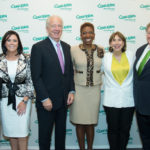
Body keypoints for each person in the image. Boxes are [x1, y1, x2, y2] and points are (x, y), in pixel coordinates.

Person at [30, 15, 75, 150]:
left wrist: (72, 91)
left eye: (59, 26)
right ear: (47, 28)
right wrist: (44, 98)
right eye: (53, 26)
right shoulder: (38, 48)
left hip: (63, 102)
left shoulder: (67, 47)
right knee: (45, 138)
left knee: (61, 137)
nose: (57, 29)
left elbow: (69, 73)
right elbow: (36, 77)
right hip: (46, 103)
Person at [69, 22, 104, 150]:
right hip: (78, 90)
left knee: (90, 123)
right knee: (79, 123)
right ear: (80, 35)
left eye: (90, 32)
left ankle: (90, 148)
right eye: (84, 33)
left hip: (94, 91)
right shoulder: (73, 50)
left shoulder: (101, 49)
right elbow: (67, 71)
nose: (87, 35)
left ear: (94, 34)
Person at [0, 30, 34, 150]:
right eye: (9, 40)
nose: (12, 43)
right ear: (4, 43)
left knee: (22, 134)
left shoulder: (26, 59)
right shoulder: (0, 60)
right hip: (5, 102)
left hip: (22, 100)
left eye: (15, 40)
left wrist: (24, 101)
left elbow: (30, 82)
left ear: (18, 43)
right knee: (11, 134)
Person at [103, 31, 135, 150]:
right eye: (114, 40)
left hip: (128, 99)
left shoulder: (131, 55)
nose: (117, 43)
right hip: (111, 100)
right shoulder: (105, 57)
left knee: (125, 130)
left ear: (124, 42)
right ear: (110, 43)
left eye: (119, 40)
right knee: (112, 129)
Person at [133, 22, 150, 150]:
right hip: (140, 103)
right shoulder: (140, 50)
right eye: (148, 32)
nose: (149, 35)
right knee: (145, 137)